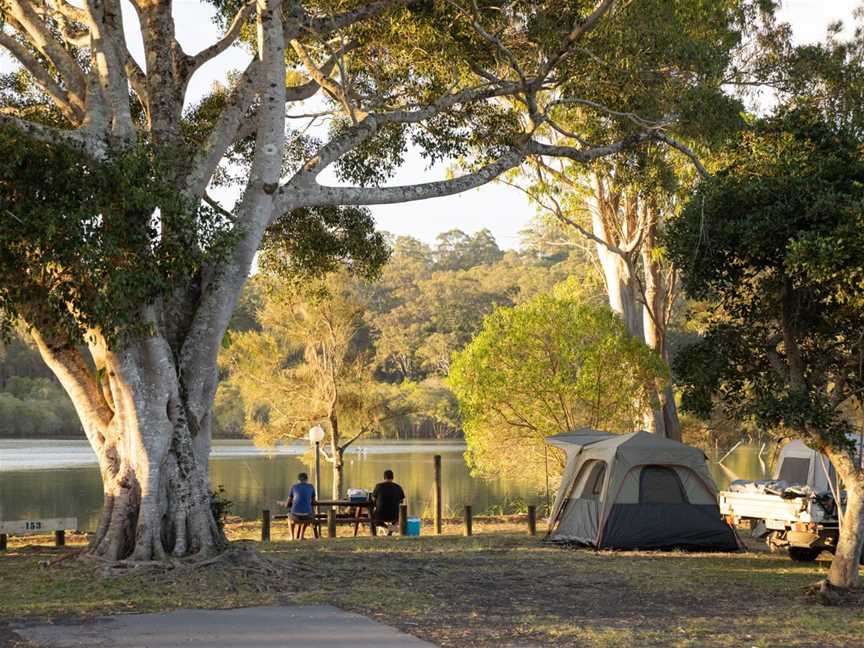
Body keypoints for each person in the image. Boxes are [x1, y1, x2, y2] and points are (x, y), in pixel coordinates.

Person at [372, 469, 405, 535]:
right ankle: (391, 530)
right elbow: (401, 502)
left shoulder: (378, 486)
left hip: (380, 514)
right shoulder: (398, 487)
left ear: (384, 477)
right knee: (399, 517)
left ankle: (388, 528)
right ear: (393, 477)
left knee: (373, 518)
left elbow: (373, 500)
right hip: (395, 514)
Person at [284, 472, 316, 540]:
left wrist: (286, 504)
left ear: (298, 480)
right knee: (307, 516)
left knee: (289, 519)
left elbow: (288, 503)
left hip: (295, 516)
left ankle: (292, 537)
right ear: (307, 479)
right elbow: (313, 501)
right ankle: (301, 536)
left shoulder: (294, 487)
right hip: (307, 516)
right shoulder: (311, 487)